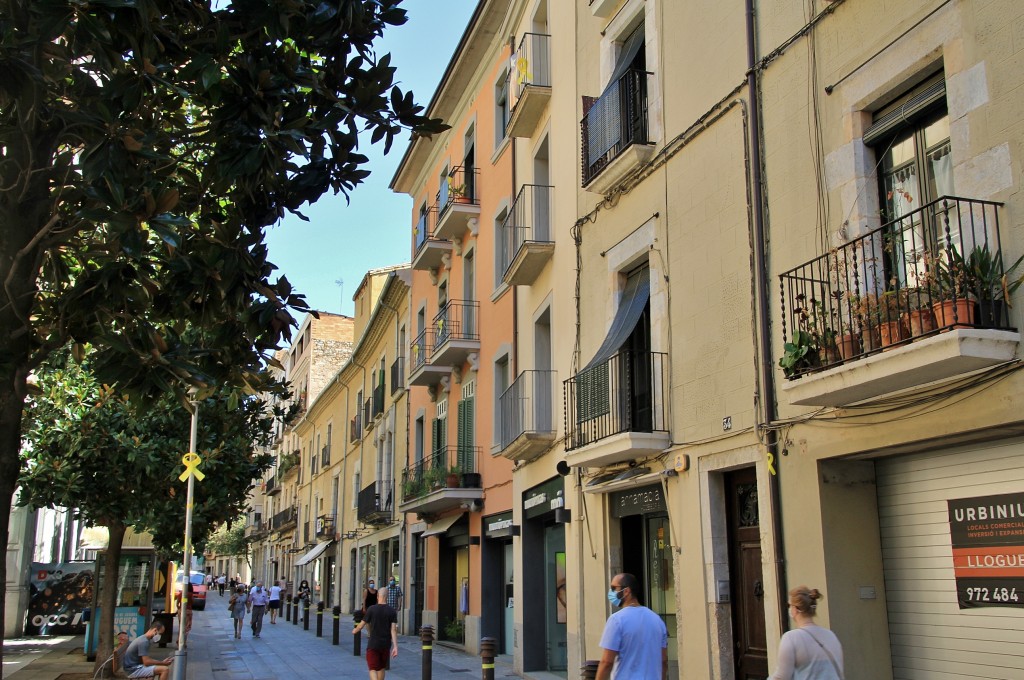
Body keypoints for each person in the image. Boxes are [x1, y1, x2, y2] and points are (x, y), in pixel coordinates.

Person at [596, 573, 667, 680]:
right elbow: (663, 661)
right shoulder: (657, 621)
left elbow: (607, 662)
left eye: (614, 588)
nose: (611, 592)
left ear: (626, 591)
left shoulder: (617, 620)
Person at [770, 586, 844, 680]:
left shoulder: (791, 638)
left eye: (789, 605)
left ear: (795, 609)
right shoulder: (831, 636)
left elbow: (782, 677)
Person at [353, 589, 398, 680]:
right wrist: (395, 647)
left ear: (377, 596)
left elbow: (362, 624)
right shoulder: (392, 611)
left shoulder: (371, 609)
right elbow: (393, 630)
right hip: (385, 644)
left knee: (372, 668)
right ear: (387, 596)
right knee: (381, 667)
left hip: (373, 644)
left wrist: (355, 630)